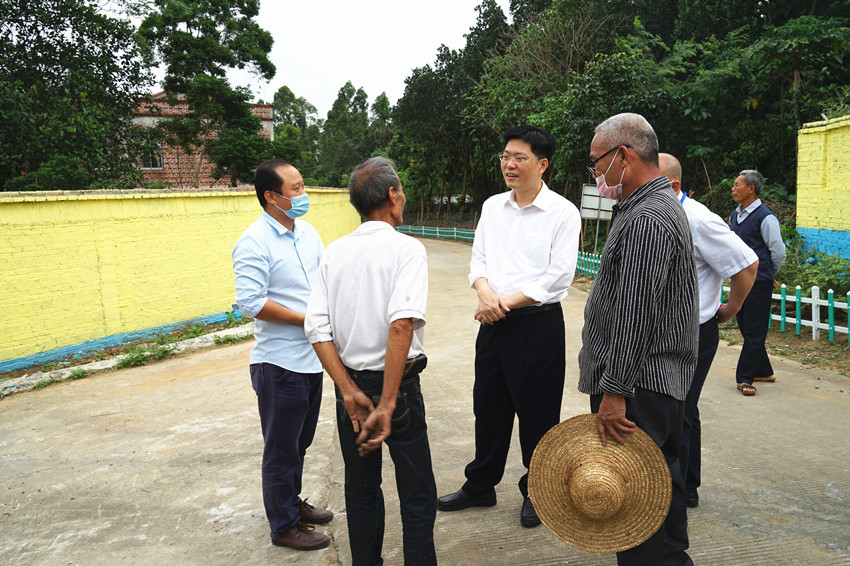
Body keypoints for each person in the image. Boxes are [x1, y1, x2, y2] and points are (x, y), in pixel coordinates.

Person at [437, 126, 581, 528]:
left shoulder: (563, 213)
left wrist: (502, 302)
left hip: (536, 325)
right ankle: (480, 485)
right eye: (505, 156)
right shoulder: (491, 207)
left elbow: (558, 278)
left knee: (537, 412)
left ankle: (539, 489)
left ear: (542, 164)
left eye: (519, 157)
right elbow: (478, 260)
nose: (509, 164)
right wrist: (485, 295)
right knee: (489, 406)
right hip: (493, 323)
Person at [305, 156, 437, 566]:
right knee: (416, 493)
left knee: (361, 491)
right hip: (397, 388)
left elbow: (316, 327)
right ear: (393, 194)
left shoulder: (334, 252)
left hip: (353, 389)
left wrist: (348, 391)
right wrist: (389, 402)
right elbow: (401, 327)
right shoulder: (406, 249)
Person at [578, 114, 698, 566]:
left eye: (597, 163)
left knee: (632, 503)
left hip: (638, 387)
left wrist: (614, 392)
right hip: (650, 383)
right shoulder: (650, 207)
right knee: (656, 487)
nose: (596, 174)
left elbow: (634, 317)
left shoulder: (648, 217)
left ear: (623, 156)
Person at [232, 159, 332, 551]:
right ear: (271, 196)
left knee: (300, 443)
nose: (303, 194)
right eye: (295, 189)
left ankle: (292, 503)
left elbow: (324, 280)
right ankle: (283, 526)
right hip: (278, 364)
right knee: (280, 449)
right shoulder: (253, 241)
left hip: (313, 359)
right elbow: (251, 302)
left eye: (303, 185)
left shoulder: (308, 233)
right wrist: (307, 320)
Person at [660, 153, 758, 509]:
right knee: (679, 408)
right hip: (663, 335)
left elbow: (747, 264)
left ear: (672, 186)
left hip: (694, 333)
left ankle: (682, 489)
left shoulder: (699, 220)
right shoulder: (659, 216)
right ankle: (685, 484)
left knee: (680, 409)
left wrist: (731, 308)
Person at [729, 170, 787, 396]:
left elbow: (778, 251)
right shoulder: (735, 215)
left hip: (758, 280)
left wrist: (768, 273)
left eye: (737, 185)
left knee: (754, 330)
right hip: (739, 279)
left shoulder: (765, 217)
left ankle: (745, 378)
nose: (733, 189)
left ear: (750, 188)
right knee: (744, 324)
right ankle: (764, 370)